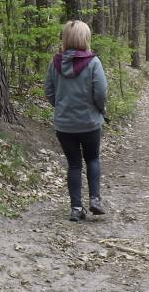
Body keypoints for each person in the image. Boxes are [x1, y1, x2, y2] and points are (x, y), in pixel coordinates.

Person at [44, 20, 108, 221]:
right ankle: (95, 199)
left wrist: (61, 107)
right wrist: (99, 109)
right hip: (90, 123)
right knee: (92, 159)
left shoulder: (55, 63)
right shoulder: (93, 62)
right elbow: (101, 93)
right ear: (85, 38)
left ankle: (76, 208)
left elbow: (49, 91)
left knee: (74, 164)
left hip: (64, 125)